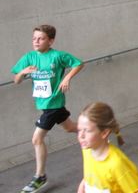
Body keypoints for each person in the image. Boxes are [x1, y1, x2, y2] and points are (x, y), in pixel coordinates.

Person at [12, 25, 84, 193]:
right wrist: (23, 72)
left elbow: (79, 64)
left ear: (50, 41)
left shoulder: (57, 56)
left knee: (36, 139)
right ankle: (97, 130)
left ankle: (40, 176)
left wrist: (67, 78)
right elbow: (16, 80)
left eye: (41, 38)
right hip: (44, 106)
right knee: (70, 127)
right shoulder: (29, 57)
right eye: (34, 38)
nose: (36, 41)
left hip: (54, 104)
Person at [77, 102, 138, 193]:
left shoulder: (116, 164)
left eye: (87, 131)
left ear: (104, 133)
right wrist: (83, 185)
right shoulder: (87, 150)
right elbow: (92, 173)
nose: (81, 135)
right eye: (79, 129)